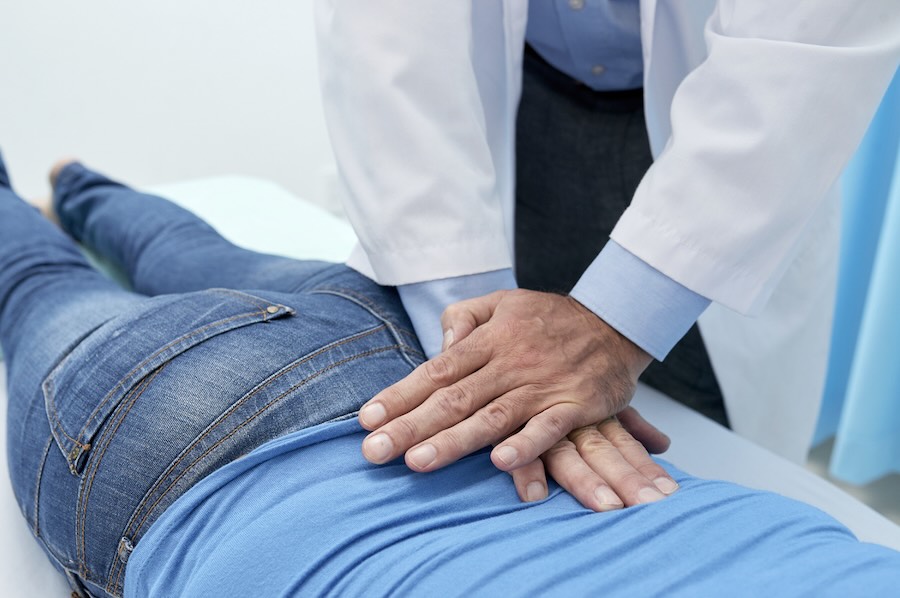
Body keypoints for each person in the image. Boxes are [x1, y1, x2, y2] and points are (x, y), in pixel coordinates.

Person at [2, 154, 899, 597]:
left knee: (192, 250)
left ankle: (81, 184)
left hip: (386, 349)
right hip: (200, 449)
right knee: (40, 288)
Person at [314, 1, 900, 492]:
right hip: (519, 99)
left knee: (711, 467)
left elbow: (803, 49)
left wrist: (617, 323)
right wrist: (483, 348)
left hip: (718, 127)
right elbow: (386, 32)